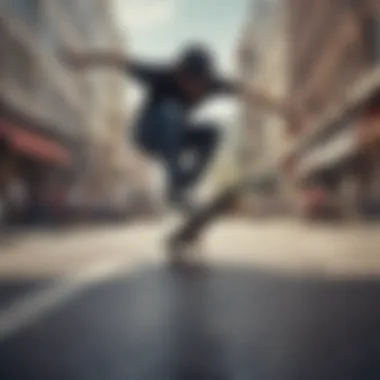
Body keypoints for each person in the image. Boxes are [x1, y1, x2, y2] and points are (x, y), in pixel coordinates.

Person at [63, 44, 293, 209]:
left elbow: (250, 93)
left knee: (214, 131)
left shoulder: (213, 84)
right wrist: (82, 58)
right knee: (171, 110)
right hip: (146, 135)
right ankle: (174, 187)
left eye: (197, 85)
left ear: (205, 79)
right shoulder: (161, 75)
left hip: (175, 138)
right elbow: (118, 59)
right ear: (178, 73)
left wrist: (284, 111)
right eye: (186, 82)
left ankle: (184, 185)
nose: (191, 90)